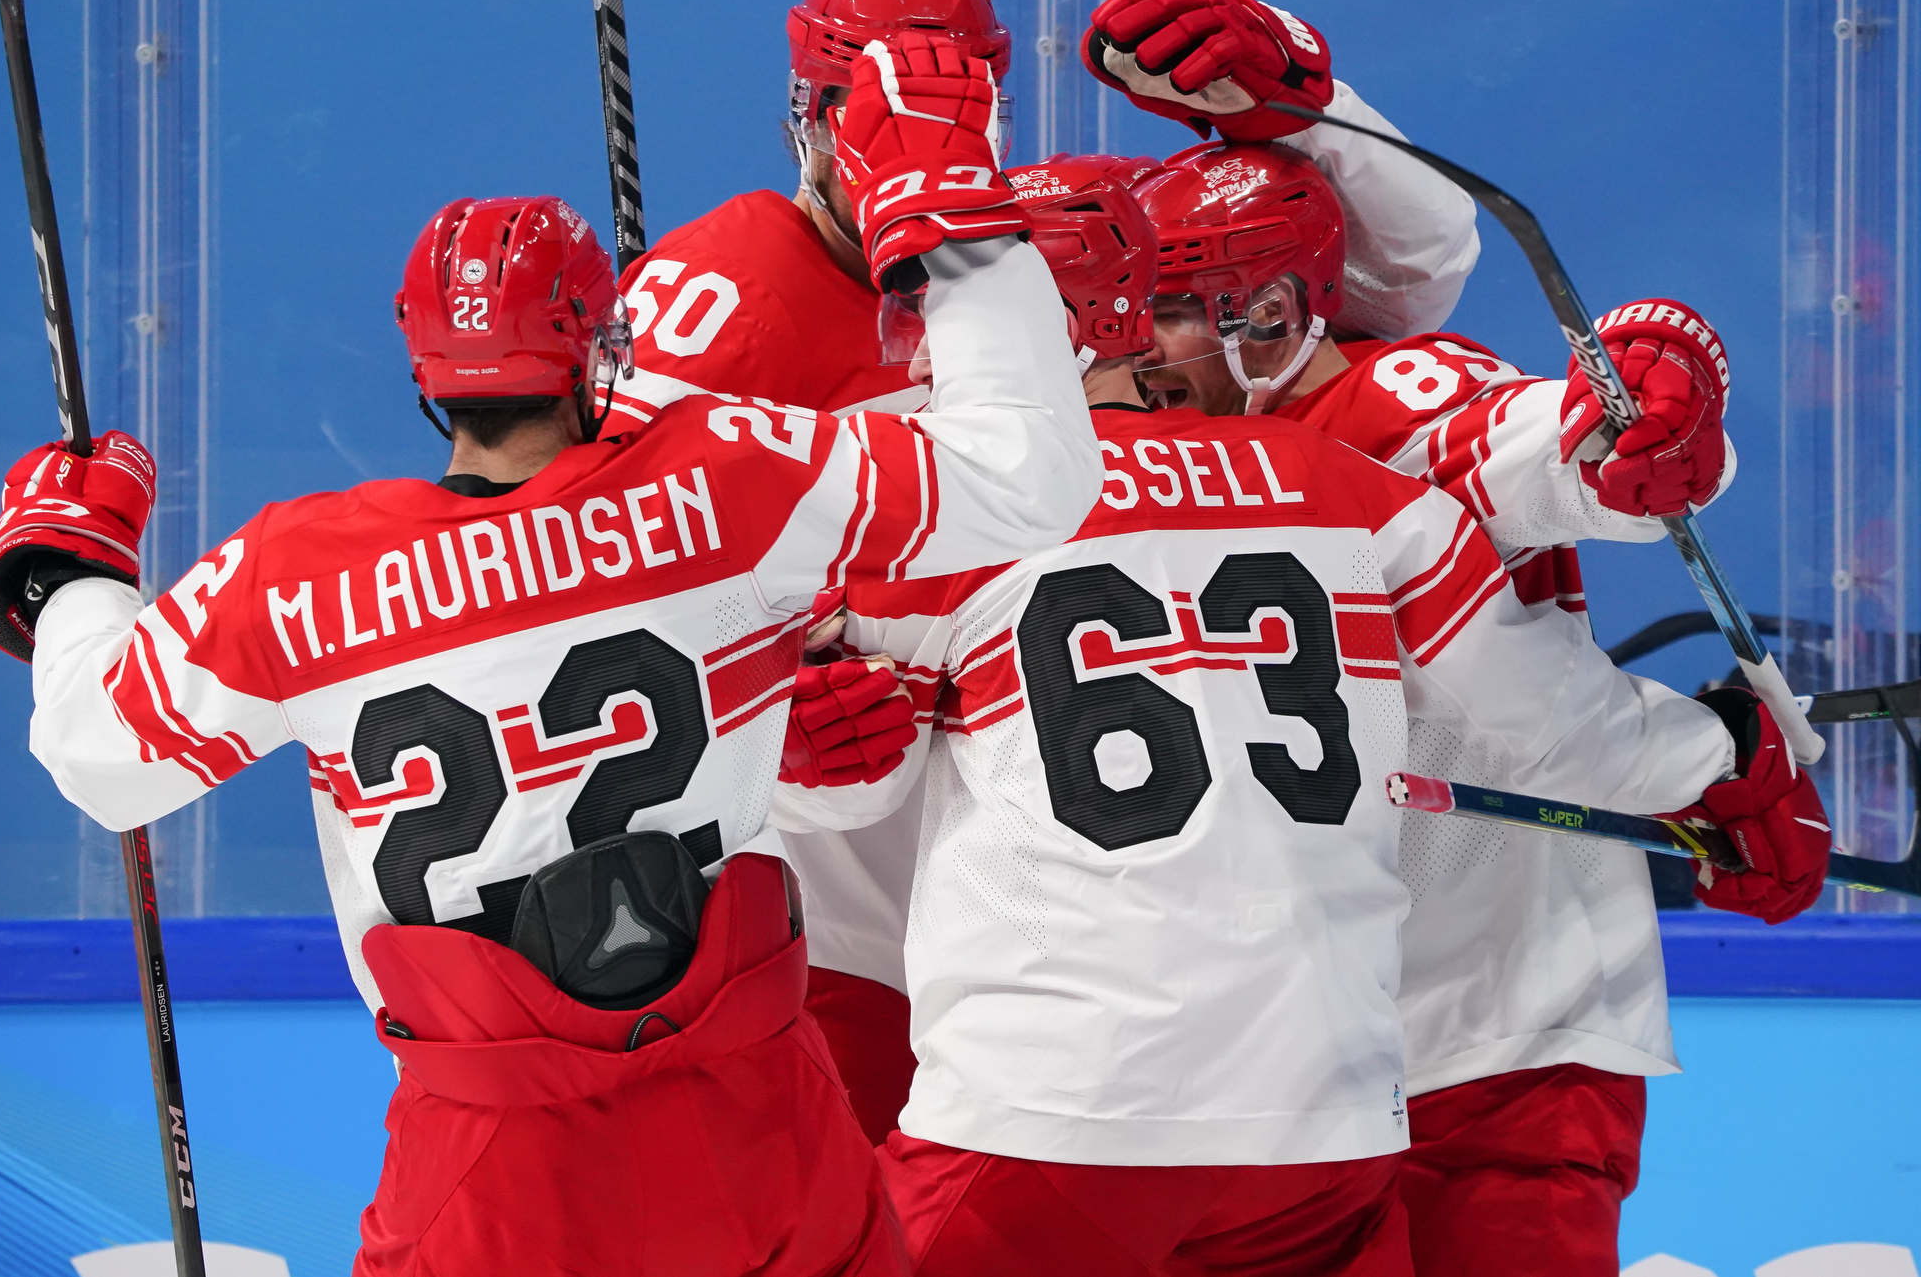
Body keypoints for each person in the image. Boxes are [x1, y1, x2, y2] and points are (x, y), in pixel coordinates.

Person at [0, 35, 1101, 1277]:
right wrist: (954, 221)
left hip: (494, 1167)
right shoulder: (727, 478)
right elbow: (1027, 478)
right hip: (755, 1128)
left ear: (421, 366)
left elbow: (100, 760)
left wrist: (72, 569)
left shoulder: (294, 572)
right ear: (597, 346)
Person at [769, 156, 1823, 1277]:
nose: (919, 355)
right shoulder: (1343, 487)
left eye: (946, 315)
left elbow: (1527, 439)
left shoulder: (927, 512)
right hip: (1326, 1115)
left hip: (1088, 1102)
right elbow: (1563, 725)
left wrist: (798, 741)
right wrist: (1727, 751)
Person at [626, 0, 1488, 1144]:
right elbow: (604, 615)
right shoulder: (710, 314)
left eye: (956, 107)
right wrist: (758, 716)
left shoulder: (1035, 234)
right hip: (842, 928)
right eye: (878, 109)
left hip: (1064, 931)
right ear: (808, 112)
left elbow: (1409, 277)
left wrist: (1303, 103)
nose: (918, 142)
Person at [1097, 0, 1830, 1275]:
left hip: (1503, 1028)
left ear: (1273, 310)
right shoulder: (1180, 457)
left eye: (1167, 309)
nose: (1133, 348)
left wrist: (1642, 421)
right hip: (1300, 1047)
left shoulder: (1396, 402)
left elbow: (1537, 443)